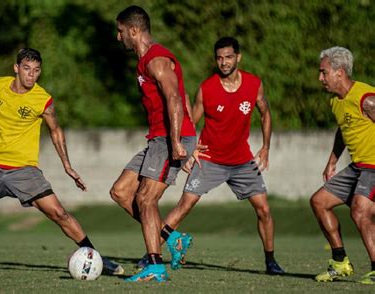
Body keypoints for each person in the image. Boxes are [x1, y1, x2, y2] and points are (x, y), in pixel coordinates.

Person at [0, 48, 123, 275]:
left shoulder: (42, 99)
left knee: (60, 214)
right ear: (16, 68)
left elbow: (56, 131)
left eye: (36, 71)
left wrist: (67, 165)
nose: (31, 75)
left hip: (24, 171)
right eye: (26, 69)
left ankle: (96, 259)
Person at [162, 36, 285, 275]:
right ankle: (152, 255)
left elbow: (266, 112)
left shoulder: (254, 84)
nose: (224, 62)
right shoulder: (207, 89)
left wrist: (266, 146)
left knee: (264, 210)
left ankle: (271, 261)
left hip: (242, 161)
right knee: (185, 204)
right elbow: (190, 123)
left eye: (228, 57)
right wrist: (188, 151)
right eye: (219, 58)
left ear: (238, 57)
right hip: (209, 160)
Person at [111, 5, 196, 282]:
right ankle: (173, 238)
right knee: (122, 192)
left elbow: (174, 98)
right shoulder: (144, 60)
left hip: (168, 139)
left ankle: (155, 265)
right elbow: (183, 97)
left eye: (120, 31)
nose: (118, 36)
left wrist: (179, 142)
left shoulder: (156, 59)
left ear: (133, 30)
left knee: (146, 198)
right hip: (159, 138)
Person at [310, 46, 375, 284]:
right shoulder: (336, 102)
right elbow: (343, 131)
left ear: (339, 72)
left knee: (359, 211)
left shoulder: (366, 98)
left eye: (323, 72)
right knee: (319, 202)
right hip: (358, 167)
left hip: (374, 166)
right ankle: (340, 262)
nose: (320, 78)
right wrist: (332, 162)